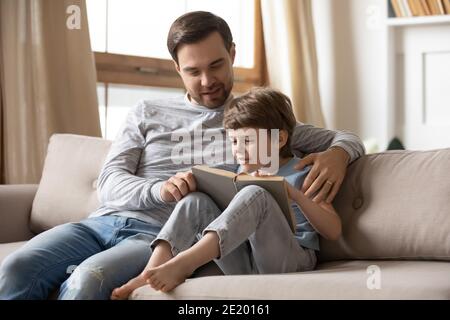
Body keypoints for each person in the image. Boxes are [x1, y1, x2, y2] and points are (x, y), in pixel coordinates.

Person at [0, 11, 364, 300]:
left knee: (86, 279)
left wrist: (338, 153)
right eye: (193, 71)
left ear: (233, 54)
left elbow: (343, 137)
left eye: (217, 65)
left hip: (154, 236)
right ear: (177, 68)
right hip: (100, 222)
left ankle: (159, 268)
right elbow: (110, 182)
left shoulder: (254, 120)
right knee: (16, 267)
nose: (207, 81)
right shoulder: (146, 111)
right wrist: (160, 190)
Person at [111, 87, 342, 298]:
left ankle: (185, 263)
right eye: (234, 142)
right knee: (196, 201)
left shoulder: (304, 172)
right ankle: (149, 272)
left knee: (256, 193)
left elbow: (333, 230)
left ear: (279, 138)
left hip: (291, 261)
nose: (239, 151)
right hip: (245, 263)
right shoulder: (238, 171)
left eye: (248, 141)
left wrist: (294, 194)